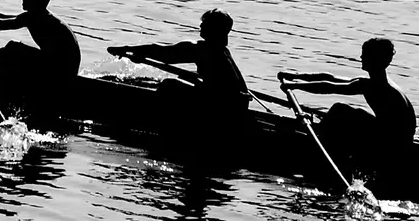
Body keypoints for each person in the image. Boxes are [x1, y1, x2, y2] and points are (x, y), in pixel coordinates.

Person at [278, 37, 416, 167]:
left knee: (340, 110)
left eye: (364, 54)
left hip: (393, 146)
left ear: (374, 59)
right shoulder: (375, 81)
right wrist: (294, 77)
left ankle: (318, 143)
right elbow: (330, 78)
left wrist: (293, 86)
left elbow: (329, 87)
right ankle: (324, 137)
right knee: (352, 114)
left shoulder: (376, 86)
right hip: (392, 136)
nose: (361, 58)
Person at [108, 9, 250, 118]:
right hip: (235, 106)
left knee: (169, 85)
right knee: (187, 78)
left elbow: (164, 53)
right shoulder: (223, 51)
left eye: (205, 23)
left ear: (214, 28)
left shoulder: (202, 49)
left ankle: (150, 115)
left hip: (222, 109)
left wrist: (127, 49)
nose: (200, 25)